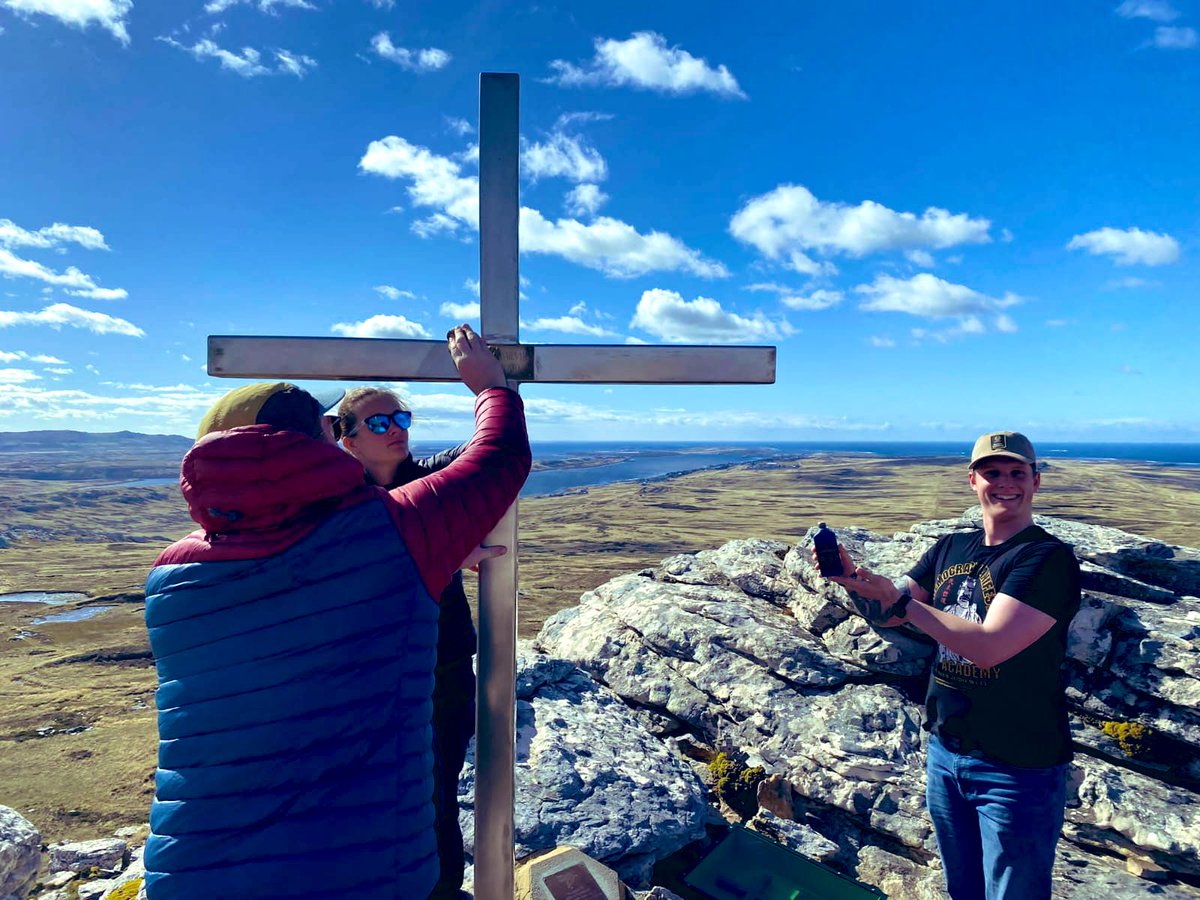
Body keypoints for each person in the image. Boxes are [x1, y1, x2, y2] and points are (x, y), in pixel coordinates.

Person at [141, 325, 531, 899]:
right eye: (330, 425)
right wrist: (491, 389)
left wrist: (424, 559)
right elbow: (499, 458)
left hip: (195, 871)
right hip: (360, 870)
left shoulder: (170, 575)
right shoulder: (393, 531)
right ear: (320, 440)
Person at [818, 431, 1080, 900]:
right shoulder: (949, 548)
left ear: (1036, 482)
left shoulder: (1045, 558)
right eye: (992, 472)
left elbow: (990, 645)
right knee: (964, 889)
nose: (1005, 483)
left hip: (1017, 764)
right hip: (946, 750)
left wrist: (899, 601)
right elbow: (888, 612)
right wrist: (854, 580)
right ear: (972, 480)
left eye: (1017, 473)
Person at [334, 385, 490, 899]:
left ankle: (443, 889)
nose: (396, 428)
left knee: (437, 787)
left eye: (401, 418)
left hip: (441, 664)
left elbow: (487, 455)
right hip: (365, 670)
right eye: (378, 423)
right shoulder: (332, 501)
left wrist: (492, 387)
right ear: (347, 437)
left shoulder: (428, 481)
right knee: (370, 793)